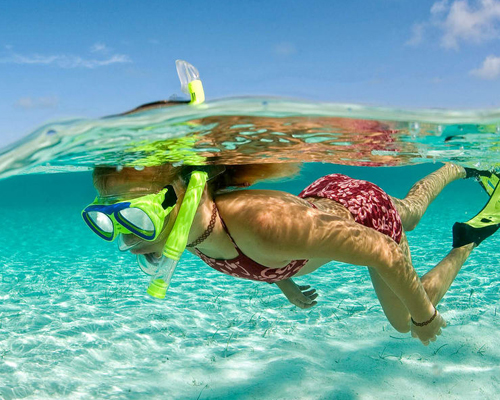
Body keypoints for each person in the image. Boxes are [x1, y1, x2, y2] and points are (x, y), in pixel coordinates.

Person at [88, 162, 498, 346]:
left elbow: (384, 252)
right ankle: (459, 167)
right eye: (110, 217)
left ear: (192, 192)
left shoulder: (262, 223)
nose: (127, 235)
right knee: (412, 211)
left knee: (405, 322)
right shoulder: (194, 231)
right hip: (328, 197)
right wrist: (285, 282)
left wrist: (427, 317)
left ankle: (466, 240)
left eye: (135, 214)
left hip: (365, 217)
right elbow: (250, 250)